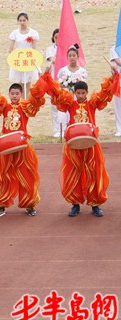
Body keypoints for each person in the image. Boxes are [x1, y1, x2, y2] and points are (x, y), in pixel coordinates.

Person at [46, 65, 117, 217]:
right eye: (78, 93)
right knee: (73, 174)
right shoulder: (70, 104)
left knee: (94, 173)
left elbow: (105, 93)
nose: (80, 95)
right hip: (73, 145)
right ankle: (75, 204)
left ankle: (95, 204)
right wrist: (47, 77)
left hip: (91, 145)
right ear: (74, 93)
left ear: (86, 93)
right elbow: (56, 93)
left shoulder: (92, 104)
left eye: (83, 93)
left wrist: (112, 78)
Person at [0, 71, 48, 217]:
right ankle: (0, 205)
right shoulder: (4, 105)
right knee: (2, 176)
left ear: (21, 94)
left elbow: (36, 99)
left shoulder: (25, 106)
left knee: (27, 176)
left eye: (17, 93)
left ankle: (29, 205)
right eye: (12, 93)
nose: (14, 96)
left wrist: (43, 79)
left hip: (22, 147)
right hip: (5, 148)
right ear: (9, 94)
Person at [56, 45, 89, 135]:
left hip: (78, 97)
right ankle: (63, 131)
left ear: (77, 57)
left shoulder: (82, 71)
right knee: (64, 114)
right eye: (70, 56)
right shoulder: (62, 71)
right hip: (66, 97)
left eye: (74, 55)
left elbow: (84, 85)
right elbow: (59, 84)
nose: (72, 57)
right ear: (67, 57)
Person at [7, 12, 39, 93]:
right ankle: (20, 101)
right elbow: (10, 49)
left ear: (27, 21)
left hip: (29, 59)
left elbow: (35, 49)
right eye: (20, 20)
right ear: (18, 22)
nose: (22, 22)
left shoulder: (33, 33)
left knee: (28, 82)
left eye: (24, 20)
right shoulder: (15, 33)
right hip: (19, 60)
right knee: (20, 82)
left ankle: (27, 101)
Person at [45, 28, 62, 137]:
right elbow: (54, 60)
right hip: (53, 81)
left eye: (60, 38)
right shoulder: (50, 49)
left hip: (66, 80)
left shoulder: (69, 49)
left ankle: (66, 127)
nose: (58, 40)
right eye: (56, 38)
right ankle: (57, 130)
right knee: (54, 106)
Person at [111, 46, 121, 137]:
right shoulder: (114, 48)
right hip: (118, 81)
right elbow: (116, 62)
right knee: (118, 106)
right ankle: (119, 128)